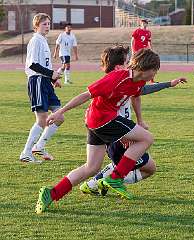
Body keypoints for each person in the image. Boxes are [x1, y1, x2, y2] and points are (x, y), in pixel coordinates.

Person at [35, 49, 185, 214]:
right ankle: (115, 178)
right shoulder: (116, 78)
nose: (155, 73)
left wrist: (141, 119)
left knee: (91, 167)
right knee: (147, 139)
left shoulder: (138, 80)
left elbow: (138, 95)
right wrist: (60, 112)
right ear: (146, 69)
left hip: (96, 122)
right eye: (155, 70)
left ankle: (52, 193)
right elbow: (86, 95)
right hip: (103, 120)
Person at [79, 46, 187, 195]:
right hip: (119, 135)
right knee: (146, 167)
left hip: (123, 131)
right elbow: (99, 111)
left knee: (146, 167)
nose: (130, 64)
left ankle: (97, 183)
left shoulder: (128, 83)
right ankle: (101, 182)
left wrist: (169, 84)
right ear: (118, 67)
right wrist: (124, 136)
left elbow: (141, 92)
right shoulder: (116, 84)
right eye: (126, 61)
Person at [20, 13, 63, 164]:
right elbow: (32, 64)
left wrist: (53, 79)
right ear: (36, 25)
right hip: (37, 81)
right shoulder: (35, 40)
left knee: (59, 116)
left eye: (49, 23)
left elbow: (44, 65)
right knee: (42, 119)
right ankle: (26, 152)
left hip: (45, 82)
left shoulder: (43, 40)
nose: (47, 26)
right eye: (44, 24)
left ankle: (39, 146)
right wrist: (51, 73)